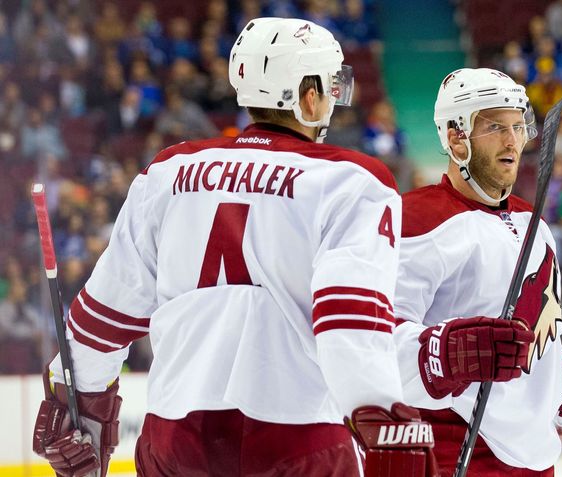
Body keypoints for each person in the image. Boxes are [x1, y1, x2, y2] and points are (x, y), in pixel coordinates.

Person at [32, 18, 437, 477]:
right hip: (297, 440)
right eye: (329, 87)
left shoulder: (170, 171)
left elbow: (103, 317)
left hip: (174, 442)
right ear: (307, 96)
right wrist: (382, 417)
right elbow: (349, 321)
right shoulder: (352, 180)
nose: (332, 102)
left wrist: (76, 405)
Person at [392, 68, 562, 476]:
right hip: (453, 456)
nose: (513, 140)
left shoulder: (534, 223)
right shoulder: (415, 219)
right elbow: (374, 345)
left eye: (518, 125)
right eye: (494, 127)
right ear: (456, 137)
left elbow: (530, 353)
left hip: (535, 462)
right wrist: (447, 354)